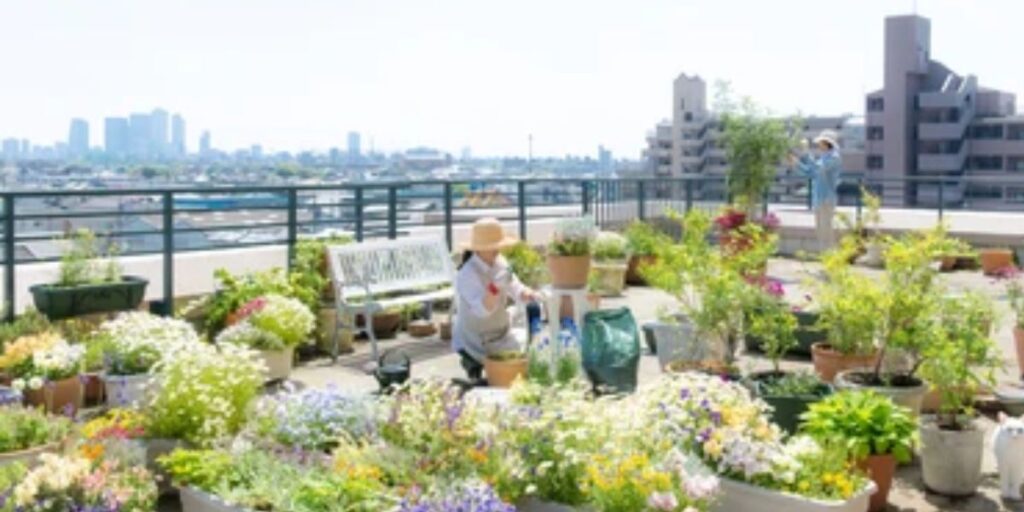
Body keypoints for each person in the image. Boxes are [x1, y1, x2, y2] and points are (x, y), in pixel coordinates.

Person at [452, 218, 542, 384]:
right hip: (477, 337)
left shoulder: (499, 261)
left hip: (501, 331)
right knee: (517, 363)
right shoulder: (466, 274)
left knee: (534, 337)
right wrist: (494, 288)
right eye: (493, 246)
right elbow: (482, 311)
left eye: (498, 245)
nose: (498, 249)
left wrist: (526, 293)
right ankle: (473, 364)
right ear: (478, 249)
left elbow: (515, 287)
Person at [792, 129, 843, 253]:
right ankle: (826, 257)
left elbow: (819, 169)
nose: (819, 145)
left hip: (826, 198)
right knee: (820, 230)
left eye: (821, 142)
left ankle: (831, 257)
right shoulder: (823, 158)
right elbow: (810, 172)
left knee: (826, 229)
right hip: (819, 198)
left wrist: (806, 153)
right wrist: (796, 163)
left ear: (826, 143)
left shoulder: (834, 158)